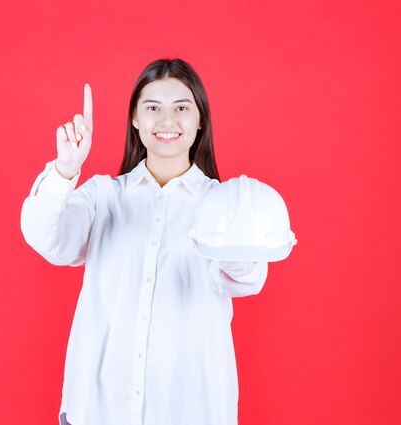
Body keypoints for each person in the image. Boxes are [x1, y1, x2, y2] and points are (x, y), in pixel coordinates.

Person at [20, 58, 268, 425]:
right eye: (153, 108)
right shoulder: (102, 196)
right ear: (135, 119)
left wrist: (233, 227)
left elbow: (249, 279)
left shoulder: (224, 204)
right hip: (99, 408)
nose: (167, 121)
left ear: (200, 120)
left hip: (190, 410)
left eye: (181, 108)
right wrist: (64, 171)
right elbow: (48, 240)